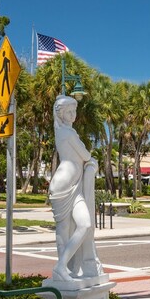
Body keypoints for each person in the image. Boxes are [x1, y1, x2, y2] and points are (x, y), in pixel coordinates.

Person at [49, 95, 103, 281]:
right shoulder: (68, 134)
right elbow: (86, 154)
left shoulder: (65, 131)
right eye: (69, 112)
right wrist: (91, 162)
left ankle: (61, 266)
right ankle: (63, 269)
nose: (73, 115)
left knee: (84, 224)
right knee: (63, 229)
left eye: (74, 111)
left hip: (75, 186)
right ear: (61, 115)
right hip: (62, 185)